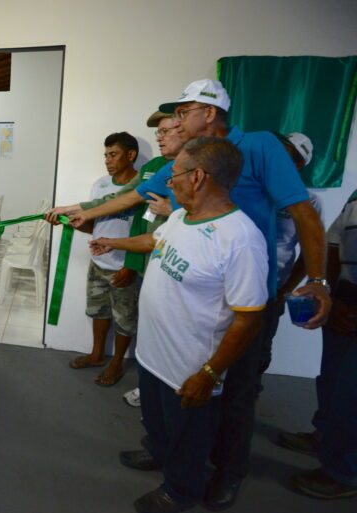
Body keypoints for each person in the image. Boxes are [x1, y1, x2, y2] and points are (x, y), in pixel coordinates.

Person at [70, 79, 331, 509]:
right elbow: (133, 196)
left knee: (233, 393)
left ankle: (227, 473)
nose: (173, 122)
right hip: (195, 289)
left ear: (209, 113)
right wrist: (83, 213)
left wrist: (317, 280)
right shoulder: (184, 177)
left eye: (182, 112)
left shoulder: (260, 149)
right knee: (166, 387)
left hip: (241, 291)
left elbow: (304, 213)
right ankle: (167, 454)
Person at [93, 137, 268, 513]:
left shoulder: (240, 240)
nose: (169, 183)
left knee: (188, 436)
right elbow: (154, 240)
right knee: (157, 423)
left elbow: (249, 318)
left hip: (188, 367)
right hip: (153, 353)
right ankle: (158, 453)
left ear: (199, 176)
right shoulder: (179, 216)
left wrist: (209, 373)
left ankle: (181, 490)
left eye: (174, 175)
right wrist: (111, 241)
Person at [50, 132, 141, 386]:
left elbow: (147, 233)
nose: (107, 160)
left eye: (113, 154)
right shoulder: (100, 185)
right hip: (98, 264)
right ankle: (97, 354)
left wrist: (131, 265)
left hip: (124, 265)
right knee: (98, 310)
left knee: (124, 318)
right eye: (106, 155)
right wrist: (67, 221)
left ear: (131, 155)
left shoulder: (142, 188)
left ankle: (116, 363)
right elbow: (93, 227)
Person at [287, 190, 357, 500]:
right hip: (346, 297)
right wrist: (328, 290)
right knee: (331, 377)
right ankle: (327, 436)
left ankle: (345, 472)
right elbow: (333, 241)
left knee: (351, 392)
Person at [257, 132, 322, 390]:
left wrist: (285, 290)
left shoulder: (308, 202)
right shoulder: (251, 187)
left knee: (259, 350)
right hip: (231, 285)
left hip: (271, 292)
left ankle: (247, 398)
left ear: (297, 165)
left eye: (284, 153)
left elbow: (309, 253)